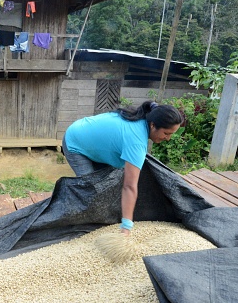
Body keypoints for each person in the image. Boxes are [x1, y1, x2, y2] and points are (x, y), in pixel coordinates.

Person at [62, 101, 183, 236]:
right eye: (166, 133)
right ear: (153, 125)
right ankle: (75, 226)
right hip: (76, 142)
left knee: (104, 186)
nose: (168, 138)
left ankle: (99, 222)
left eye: (171, 134)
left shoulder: (143, 121)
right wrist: (127, 226)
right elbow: (129, 187)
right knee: (89, 190)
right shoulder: (136, 140)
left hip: (96, 143)